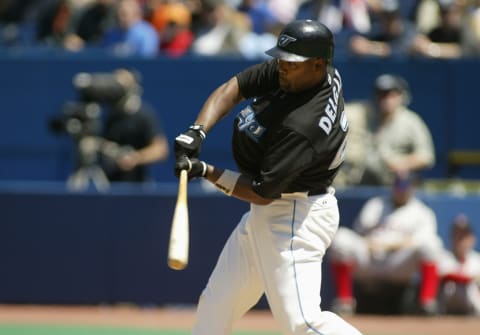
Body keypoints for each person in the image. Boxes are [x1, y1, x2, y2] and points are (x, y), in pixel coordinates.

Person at [173, 19, 362, 335]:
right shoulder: (306, 73)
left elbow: (262, 192)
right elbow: (234, 87)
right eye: (282, 59)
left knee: (303, 322)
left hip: (293, 217)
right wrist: (197, 132)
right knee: (217, 304)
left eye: (292, 63)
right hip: (273, 212)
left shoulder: (304, 126)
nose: (283, 68)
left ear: (318, 64)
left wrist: (205, 171)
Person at [328, 172, 444, 315]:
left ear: (413, 188)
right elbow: (360, 233)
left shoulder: (422, 212)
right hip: (370, 259)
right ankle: (344, 302)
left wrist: (388, 245)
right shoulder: (376, 205)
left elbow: (419, 241)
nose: (401, 191)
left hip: (399, 263)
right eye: (398, 186)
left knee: (432, 244)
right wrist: (370, 244)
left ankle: (427, 303)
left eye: (405, 187)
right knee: (341, 238)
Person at [337, 73, 436, 187]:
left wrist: (401, 163)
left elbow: (426, 157)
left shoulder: (410, 121)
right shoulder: (366, 114)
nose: (387, 99)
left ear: (402, 96)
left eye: (392, 95)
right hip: (361, 181)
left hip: (394, 185)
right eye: (382, 95)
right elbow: (344, 111)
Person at [98, 68, 169, 182]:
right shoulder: (110, 115)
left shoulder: (144, 115)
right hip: (109, 183)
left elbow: (160, 149)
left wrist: (134, 158)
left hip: (137, 185)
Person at [437, 214, 480, 315]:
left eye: (464, 236)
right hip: (446, 306)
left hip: (473, 306)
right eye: (457, 235)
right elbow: (444, 275)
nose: (460, 240)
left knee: (471, 288)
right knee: (458, 286)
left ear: (472, 239)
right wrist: (469, 278)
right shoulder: (443, 257)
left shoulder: (477, 260)